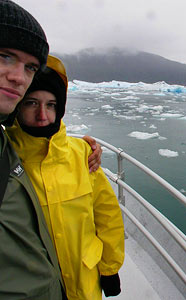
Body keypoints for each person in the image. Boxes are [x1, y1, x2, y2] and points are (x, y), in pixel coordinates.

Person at [0, 1, 101, 298]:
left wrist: (109, 268)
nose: (19, 77)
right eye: (5, 56)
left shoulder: (8, 147)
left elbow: (106, 212)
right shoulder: (15, 148)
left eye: (30, 67)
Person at [6, 54, 125, 300]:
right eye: (31, 103)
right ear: (18, 106)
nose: (43, 115)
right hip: (35, 288)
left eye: (51, 105)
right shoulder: (6, 158)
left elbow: (107, 216)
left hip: (85, 281)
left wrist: (110, 269)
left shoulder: (82, 154)